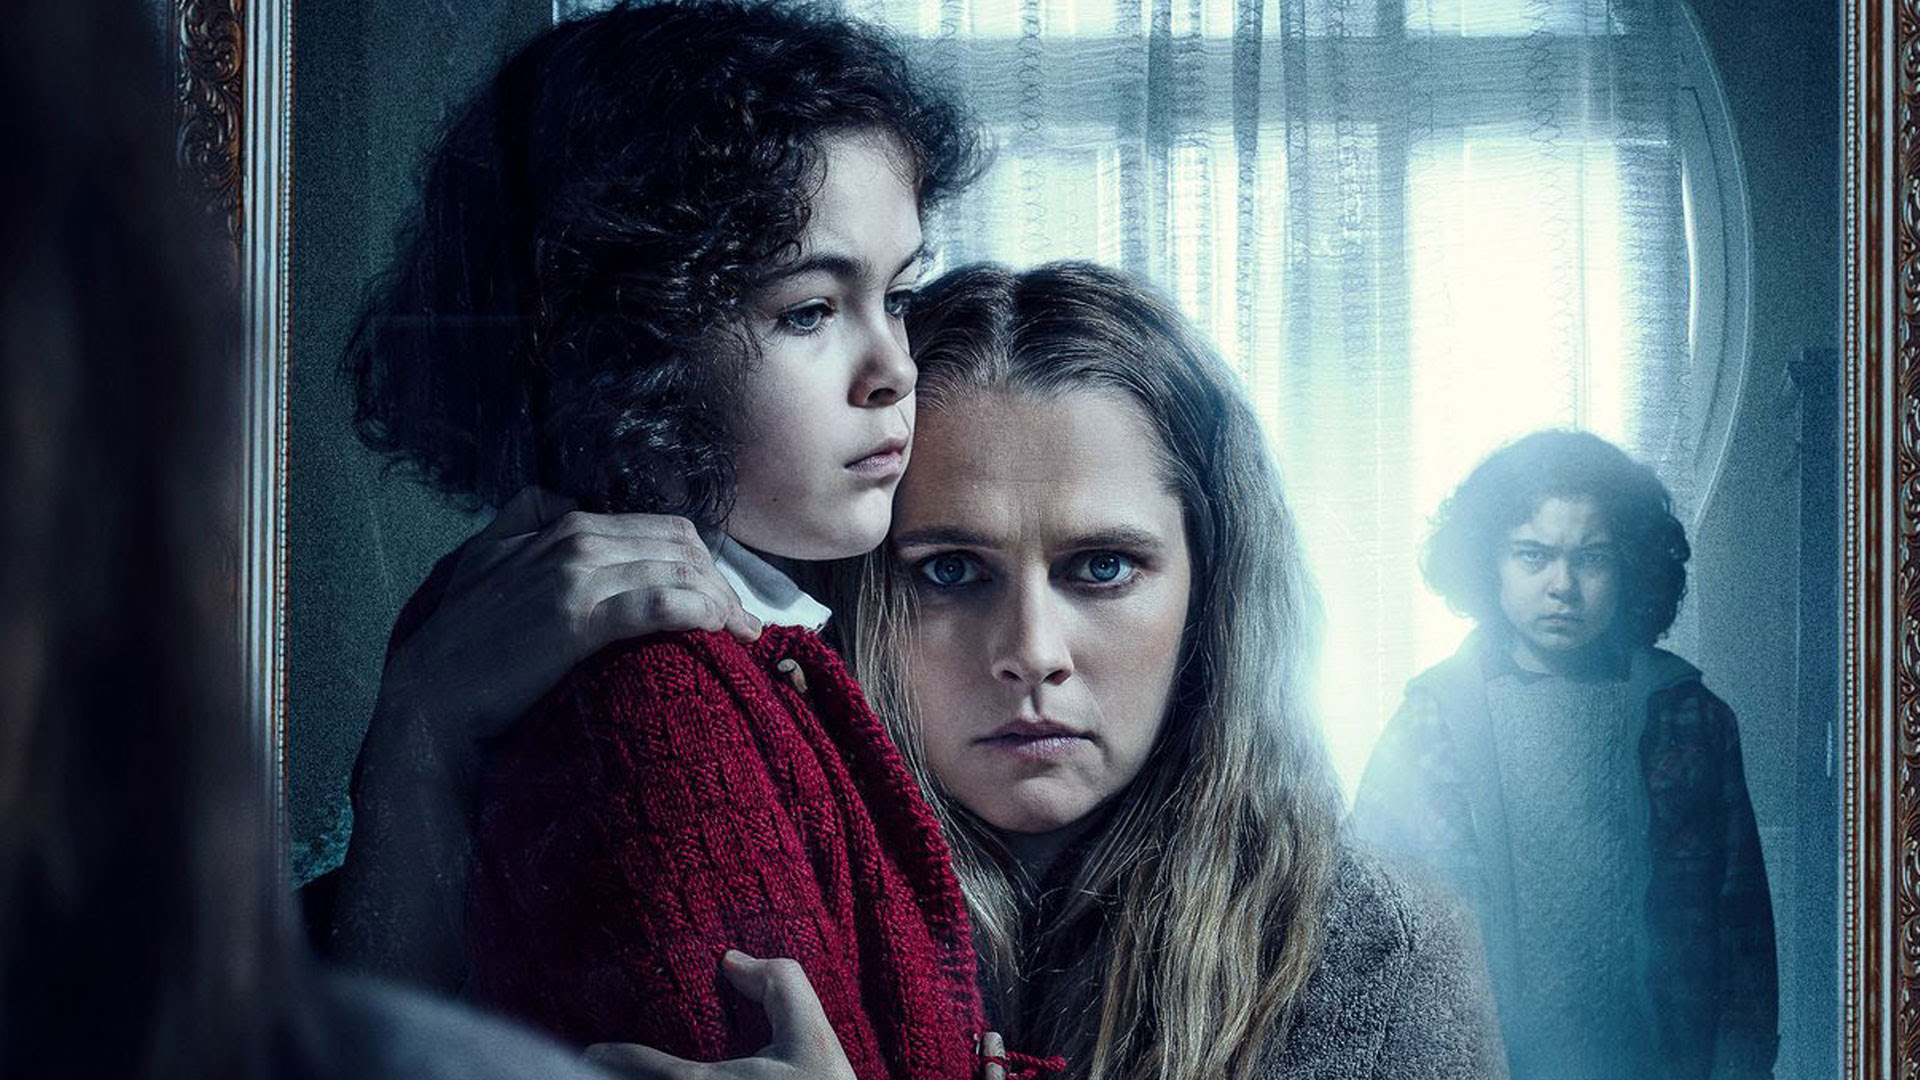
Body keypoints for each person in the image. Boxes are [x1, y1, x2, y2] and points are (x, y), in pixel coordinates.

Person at [518, 262, 1511, 1080]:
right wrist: (436, 727)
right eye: (951, 572)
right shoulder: (738, 862)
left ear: (1211, 596)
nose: (1031, 652)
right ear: (851, 590)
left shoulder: (1372, 950)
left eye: (1103, 568)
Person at [327, 3, 999, 1077]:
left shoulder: (735, 643)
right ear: (614, 339)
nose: (896, 370)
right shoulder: (652, 683)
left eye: (900, 295)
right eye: (810, 310)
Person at [1349, 430, 1777, 1080]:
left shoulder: (1689, 719)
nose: (1562, 586)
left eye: (1592, 559)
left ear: (1629, 565)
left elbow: (1742, 934)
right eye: (1533, 555)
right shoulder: (1427, 723)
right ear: (1489, 561)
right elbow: (1363, 937)